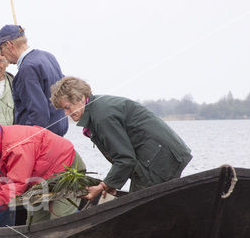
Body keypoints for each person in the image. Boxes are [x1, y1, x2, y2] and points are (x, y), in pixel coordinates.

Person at [50, 76, 192, 201]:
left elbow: (125, 159)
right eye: (63, 110)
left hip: (161, 159)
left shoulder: (102, 116)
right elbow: (125, 156)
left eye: (67, 107)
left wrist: (104, 185)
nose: (66, 113)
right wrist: (112, 183)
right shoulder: (96, 110)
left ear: (81, 98)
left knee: (141, 208)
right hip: (155, 157)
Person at [0, 113, 86, 224]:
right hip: (43, 179)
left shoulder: (15, 148)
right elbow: (5, 184)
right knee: (35, 224)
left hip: (68, 169)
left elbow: (16, 186)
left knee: (60, 222)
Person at [0, 24, 68, 136]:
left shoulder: (27, 69)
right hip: (59, 137)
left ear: (9, 45)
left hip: (42, 142)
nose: (2, 54)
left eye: (1, 48)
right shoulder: (48, 57)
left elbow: (38, 115)